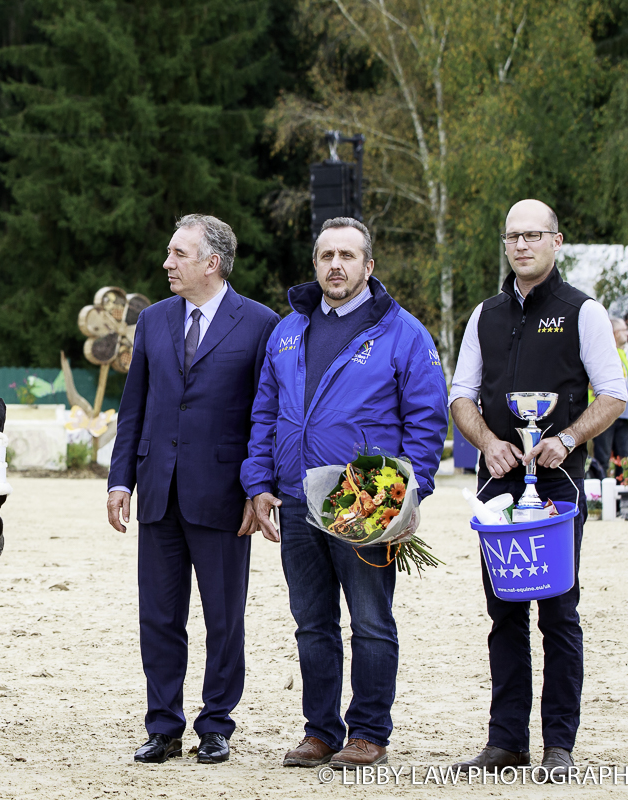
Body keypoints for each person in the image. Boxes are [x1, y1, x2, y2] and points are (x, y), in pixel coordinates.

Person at [240, 216, 448, 770]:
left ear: (368, 267)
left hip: (365, 500)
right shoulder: (288, 331)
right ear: (315, 265)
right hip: (293, 499)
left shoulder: (404, 333)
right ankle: (321, 731)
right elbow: (264, 414)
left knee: (372, 622)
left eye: (348, 256)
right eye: (326, 255)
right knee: (312, 623)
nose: (336, 264)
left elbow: (426, 421)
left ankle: (369, 732)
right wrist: (258, 483)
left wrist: (408, 496)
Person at [449, 199, 628, 778]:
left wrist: (569, 439)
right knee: (502, 612)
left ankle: (558, 744)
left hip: (557, 480)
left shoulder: (585, 312)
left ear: (556, 241)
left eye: (533, 235)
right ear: (505, 244)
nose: (522, 245)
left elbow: (612, 395)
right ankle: (506, 741)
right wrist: (487, 443)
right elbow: (461, 396)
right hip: (498, 479)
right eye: (512, 236)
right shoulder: (485, 314)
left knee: (558, 613)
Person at [107, 214, 279, 765]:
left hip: (226, 496)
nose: (166, 264)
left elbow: (265, 415)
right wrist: (120, 480)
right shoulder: (153, 321)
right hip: (158, 490)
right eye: (168, 252)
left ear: (212, 262)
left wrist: (259, 488)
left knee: (224, 617)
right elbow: (133, 407)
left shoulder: (260, 324)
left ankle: (216, 725)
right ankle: (164, 726)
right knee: (158, 616)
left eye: (178, 254)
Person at [588, 318, 628, 478]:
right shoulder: (602, 353)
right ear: (615, 333)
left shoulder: (622, 353)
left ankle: (623, 497)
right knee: (603, 457)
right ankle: (600, 497)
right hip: (605, 412)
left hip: (624, 415)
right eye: (624, 330)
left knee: (626, 459)